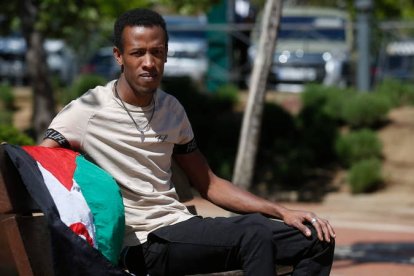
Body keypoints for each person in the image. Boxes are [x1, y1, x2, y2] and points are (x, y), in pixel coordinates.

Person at [40, 8, 335, 276]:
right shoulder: (88, 109)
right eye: (137, 53)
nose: (148, 63)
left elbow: (208, 184)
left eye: (156, 52)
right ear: (118, 56)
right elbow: (38, 163)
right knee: (253, 233)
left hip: (180, 228)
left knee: (316, 239)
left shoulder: (171, 109)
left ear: (166, 54)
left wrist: (283, 212)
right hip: (142, 244)